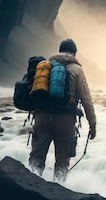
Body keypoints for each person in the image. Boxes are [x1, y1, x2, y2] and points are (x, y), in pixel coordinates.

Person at [29, 38, 97, 181]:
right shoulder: (77, 69)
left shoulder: (47, 66)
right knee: (62, 162)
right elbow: (86, 98)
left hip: (42, 117)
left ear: (60, 51)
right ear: (74, 54)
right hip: (65, 121)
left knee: (37, 156)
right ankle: (59, 193)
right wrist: (92, 123)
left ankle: (29, 187)